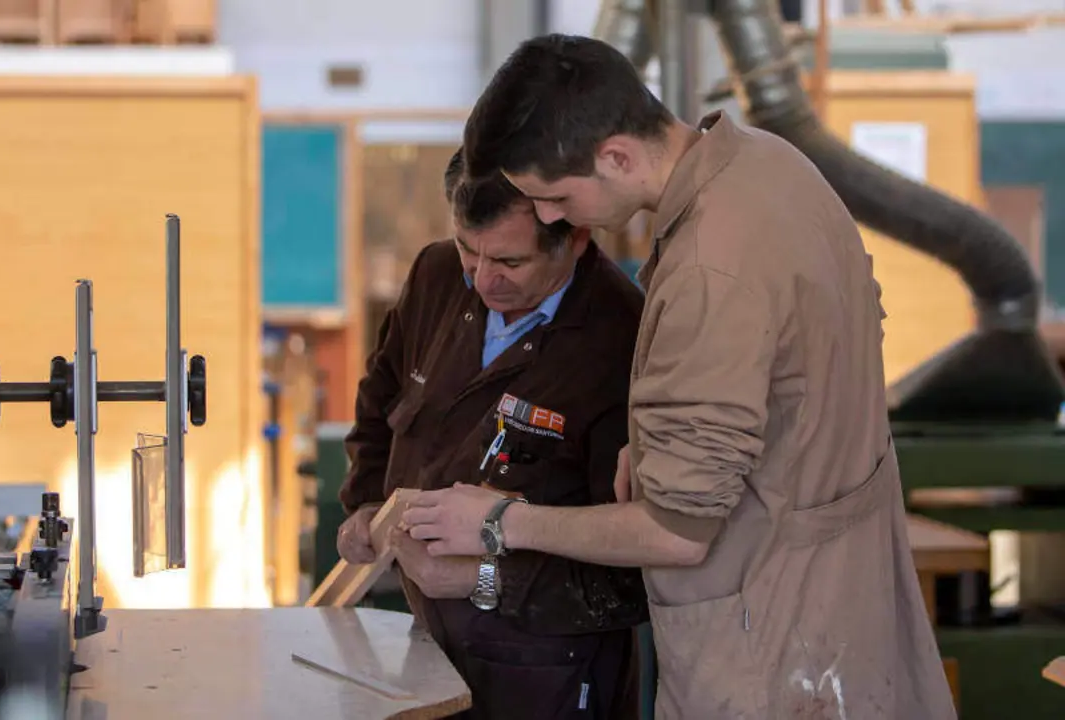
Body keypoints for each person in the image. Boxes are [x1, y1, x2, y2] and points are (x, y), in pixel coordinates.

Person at [401, 34, 957, 719]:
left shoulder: (707, 269)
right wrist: (674, 441)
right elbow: (836, 338)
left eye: (553, 196)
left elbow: (677, 533)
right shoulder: (770, 166)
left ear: (615, 155)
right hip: (838, 605)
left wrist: (499, 523)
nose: (548, 216)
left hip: (773, 646)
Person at [336, 148, 649, 720]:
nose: (481, 280)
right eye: (466, 249)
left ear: (574, 237)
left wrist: (485, 577)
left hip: (549, 674)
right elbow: (380, 401)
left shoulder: (623, 338)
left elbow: (635, 573)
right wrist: (366, 504)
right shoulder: (435, 276)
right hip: (426, 646)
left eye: (509, 260)